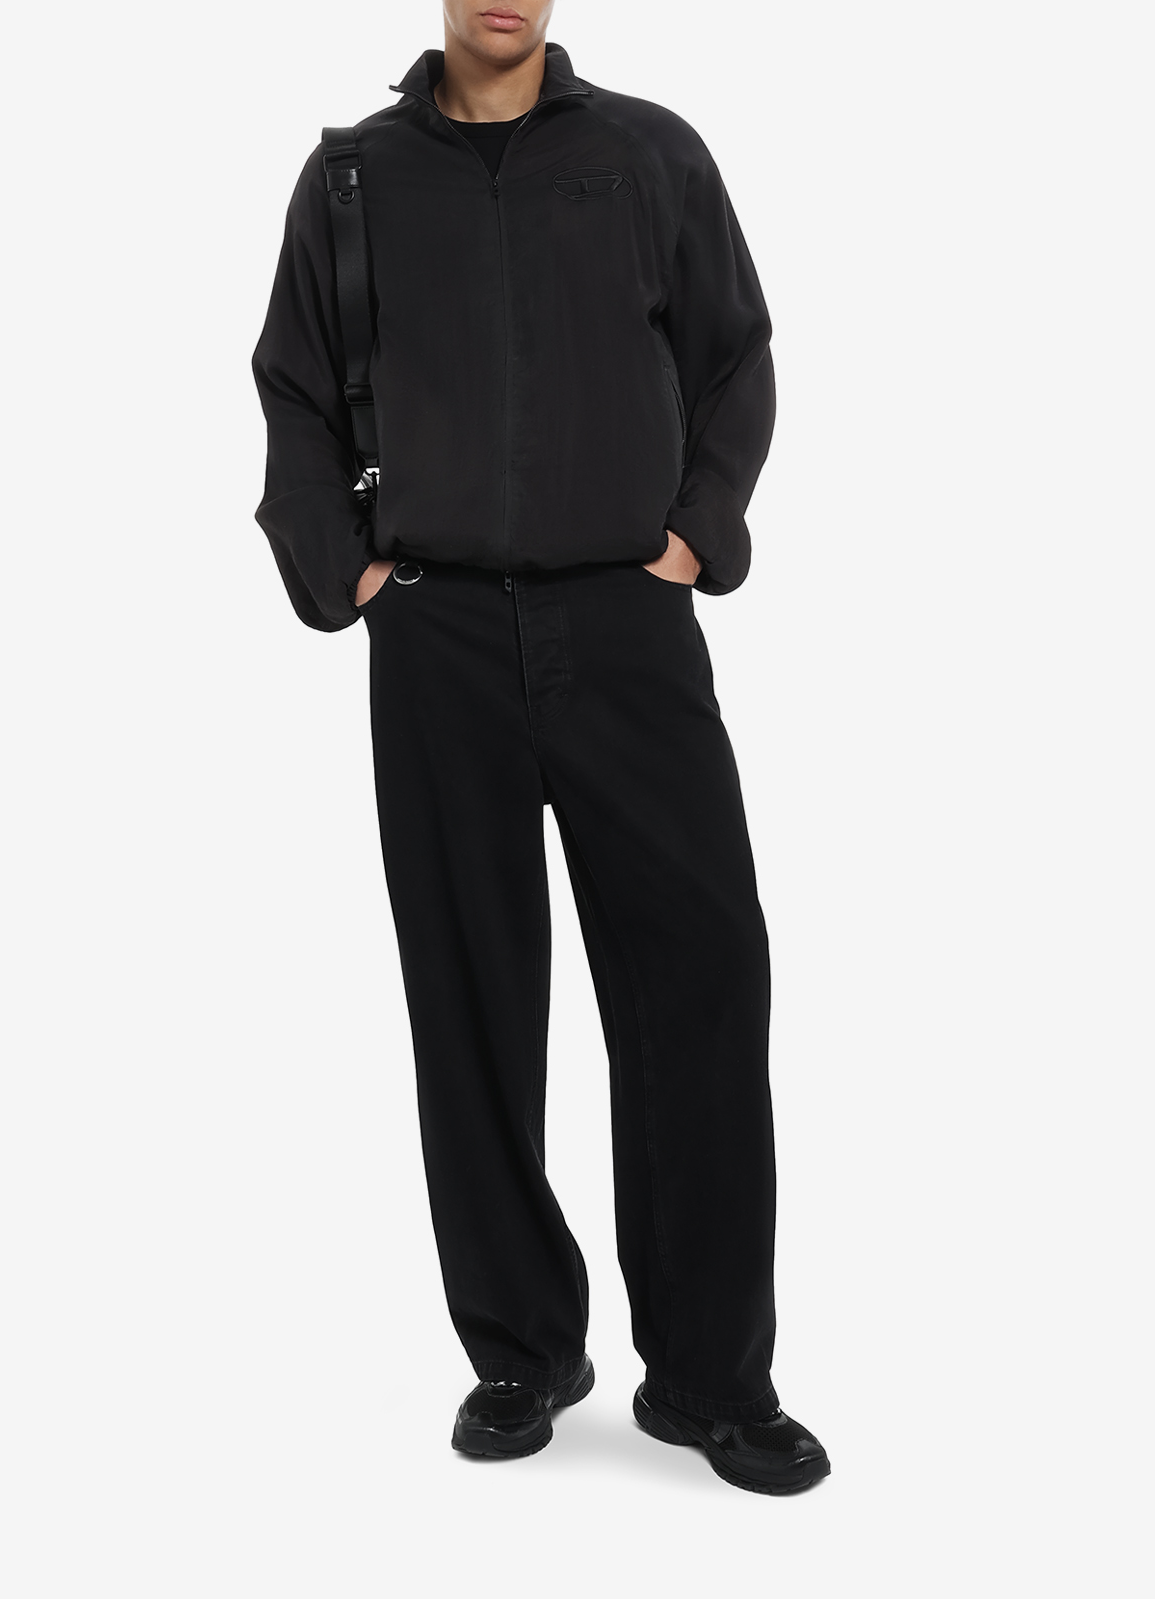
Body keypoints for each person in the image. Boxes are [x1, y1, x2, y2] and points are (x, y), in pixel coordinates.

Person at [251, 0, 829, 1495]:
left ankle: (710, 1377)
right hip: (434, 629)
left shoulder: (650, 155)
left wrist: (696, 537)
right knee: (470, 995)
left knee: (702, 982)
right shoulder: (353, 178)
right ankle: (521, 1349)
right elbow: (295, 390)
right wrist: (346, 575)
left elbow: (737, 358)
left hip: (626, 623)